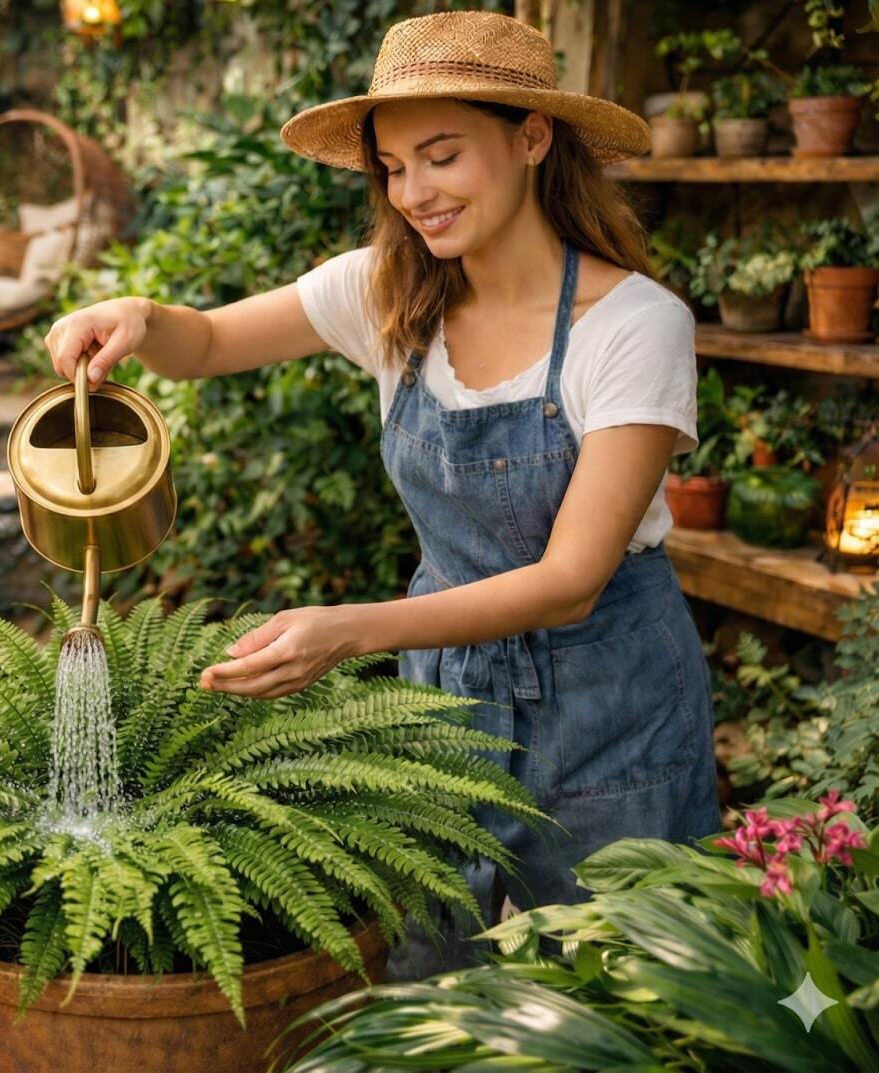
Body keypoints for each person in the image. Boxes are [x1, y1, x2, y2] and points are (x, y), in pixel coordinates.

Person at [41, 10, 719, 976]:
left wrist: (347, 630)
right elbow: (211, 345)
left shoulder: (634, 326)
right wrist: (135, 315)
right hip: (447, 698)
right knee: (442, 976)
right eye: (395, 168)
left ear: (531, 138)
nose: (414, 195)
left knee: (614, 984)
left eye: (442, 156)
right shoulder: (391, 293)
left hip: (609, 701)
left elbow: (570, 578)